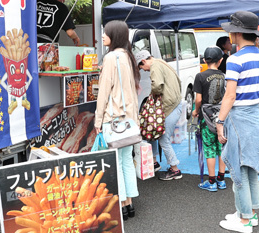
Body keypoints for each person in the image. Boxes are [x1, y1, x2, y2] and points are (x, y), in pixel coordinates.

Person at [215, 11, 259, 233]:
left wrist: (219, 120)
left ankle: (244, 220)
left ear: (237, 33)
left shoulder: (235, 59)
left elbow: (230, 95)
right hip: (254, 115)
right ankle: (250, 213)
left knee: (238, 169)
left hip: (238, 116)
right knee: (251, 168)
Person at [94, 20, 140, 221]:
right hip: (128, 121)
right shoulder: (128, 56)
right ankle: (129, 204)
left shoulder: (111, 57)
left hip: (113, 120)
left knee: (116, 164)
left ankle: (121, 205)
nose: (103, 36)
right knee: (126, 162)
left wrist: (97, 120)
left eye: (106, 33)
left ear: (115, 36)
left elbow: (104, 92)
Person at [135, 49, 183, 181]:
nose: (144, 70)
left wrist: (153, 95)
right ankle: (154, 162)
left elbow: (157, 86)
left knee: (163, 139)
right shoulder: (161, 63)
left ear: (144, 61)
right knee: (153, 132)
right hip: (174, 104)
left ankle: (175, 170)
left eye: (142, 67)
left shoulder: (155, 66)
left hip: (170, 107)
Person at [192, 46, 227, 192]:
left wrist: (195, 110)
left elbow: (198, 99)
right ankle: (221, 179)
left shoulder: (200, 76)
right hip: (222, 117)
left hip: (206, 117)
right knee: (221, 147)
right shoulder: (225, 76)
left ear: (205, 60)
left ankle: (211, 182)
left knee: (209, 148)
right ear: (220, 60)